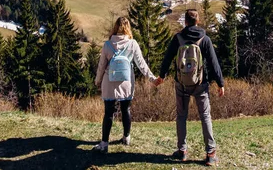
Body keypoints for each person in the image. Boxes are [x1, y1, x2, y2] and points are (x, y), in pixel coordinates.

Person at [155, 9, 225, 166]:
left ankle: (182, 151)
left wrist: (162, 75)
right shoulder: (204, 39)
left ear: (185, 22)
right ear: (197, 21)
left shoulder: (178, 38)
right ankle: (210, 154)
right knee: (205, 116)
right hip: (201, 83)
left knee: (181, 116)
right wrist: (220, 83)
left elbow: (167, 58)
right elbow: (214, 63)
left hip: (181, 83)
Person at [94, 16, 156, 153]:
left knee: (108, 112)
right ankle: (126, 137)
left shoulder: (108, 45)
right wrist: (152, 78)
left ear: (115, 27)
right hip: (126, 82)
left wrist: (97, 81)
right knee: (126, 109)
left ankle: (104, 143)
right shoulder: (132, 44)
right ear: (128, 28)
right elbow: (141, 64)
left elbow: (101, 66)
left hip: (109, 82)